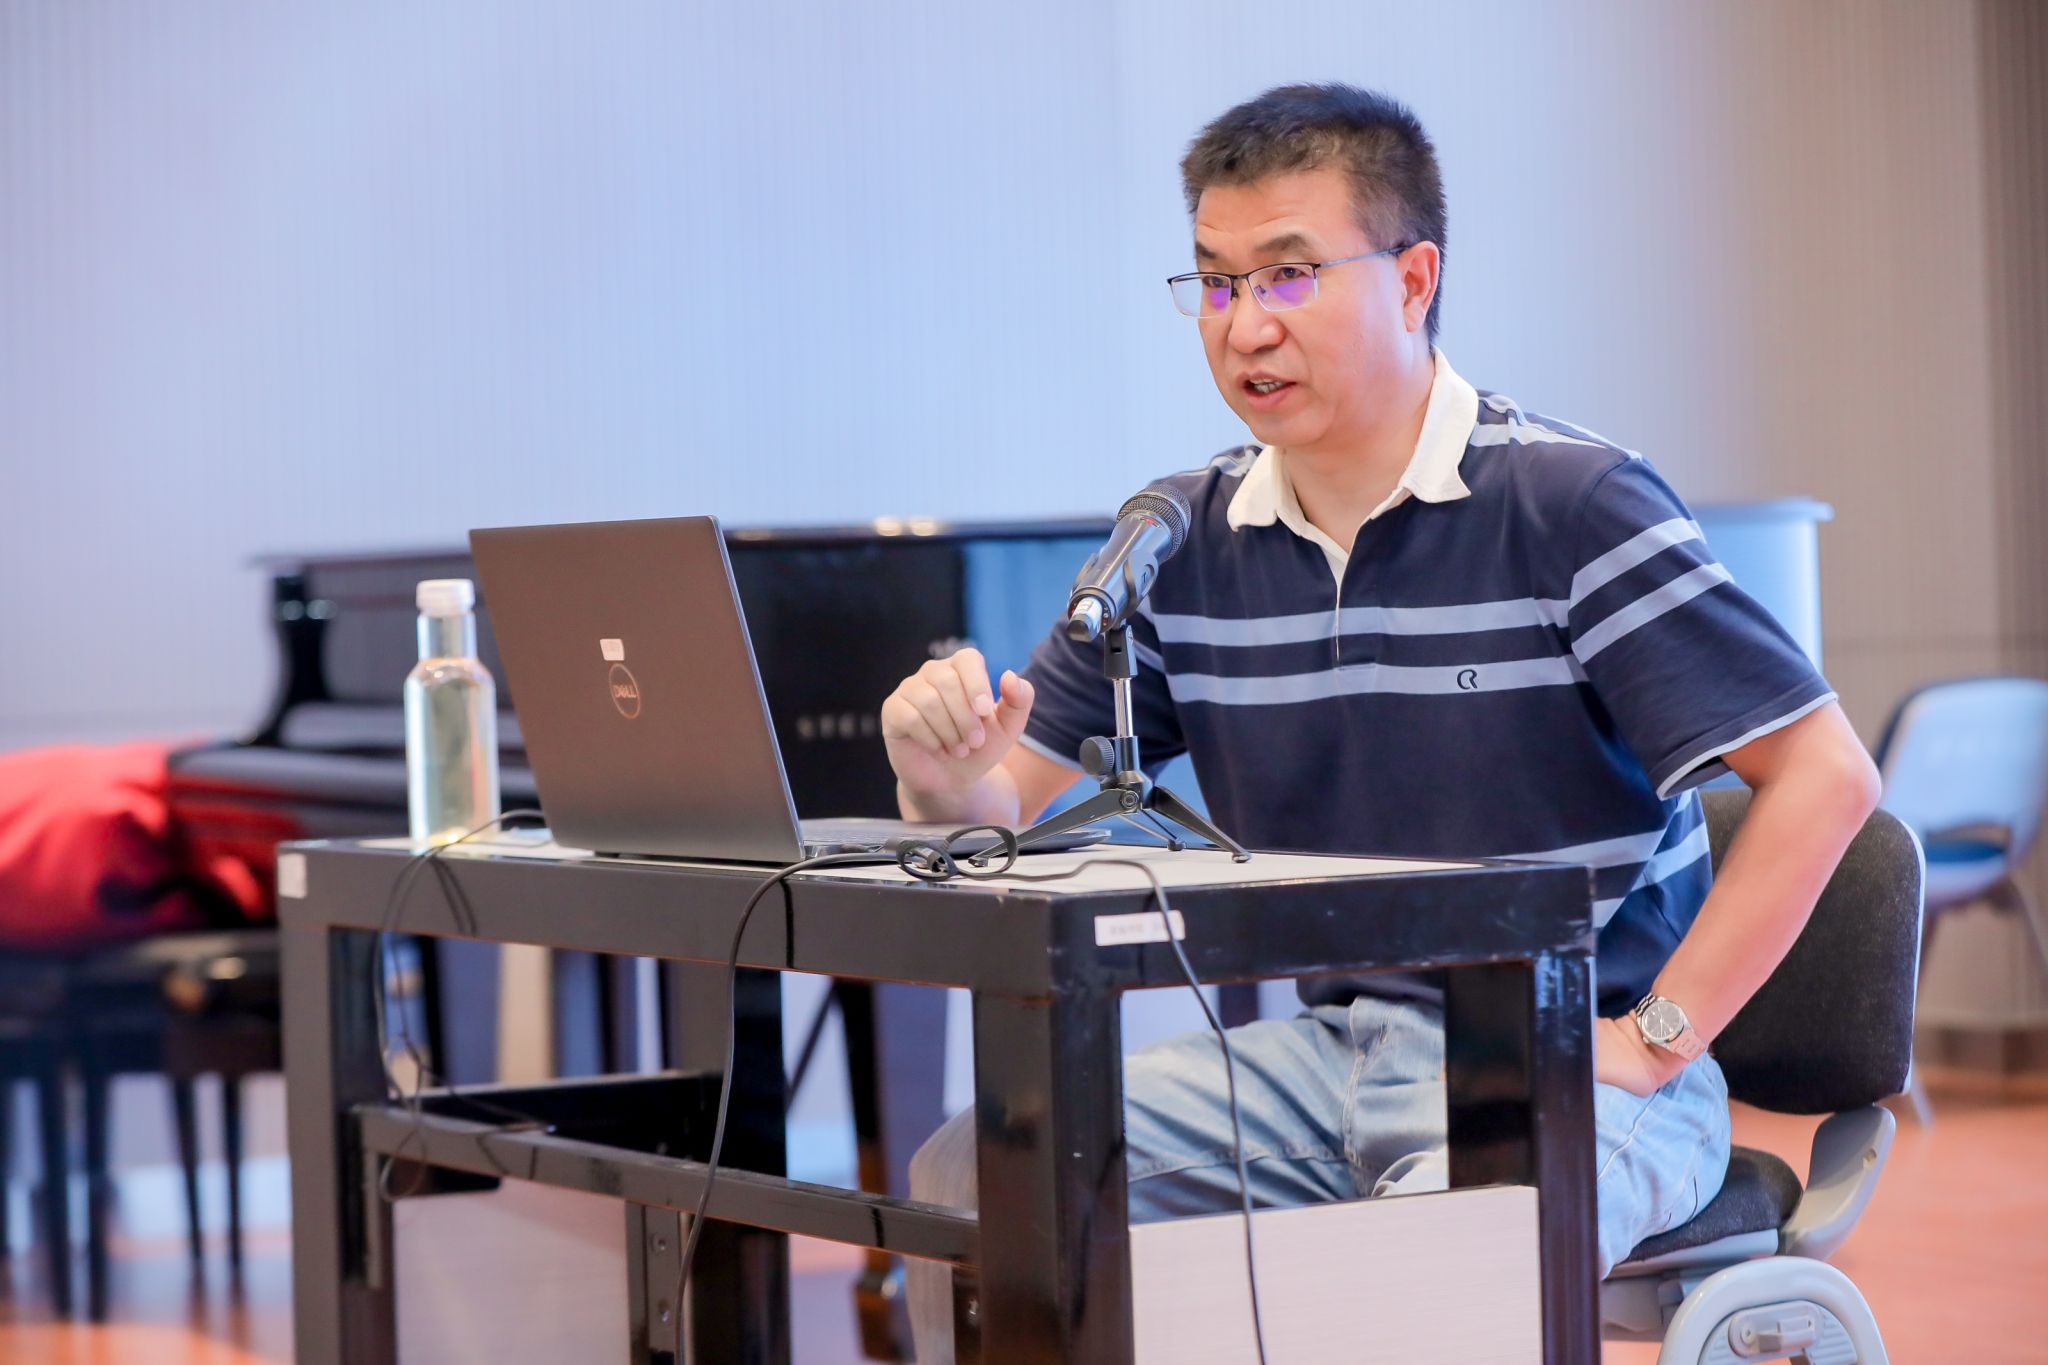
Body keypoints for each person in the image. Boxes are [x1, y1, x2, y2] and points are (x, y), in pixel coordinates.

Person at [881, 83, 1881, 1360]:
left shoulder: (1569, 503)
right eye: (1215, 283)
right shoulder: (1183, 538)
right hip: (1327, 1056)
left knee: (1415, 1275)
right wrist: (940, 776)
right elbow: (1000, 804)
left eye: (1288, 275)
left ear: (1413, 280)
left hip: (1559, 1054)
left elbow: (1823, 775)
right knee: (977, 1170)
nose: (1244, 324)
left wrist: (1654, 1040)